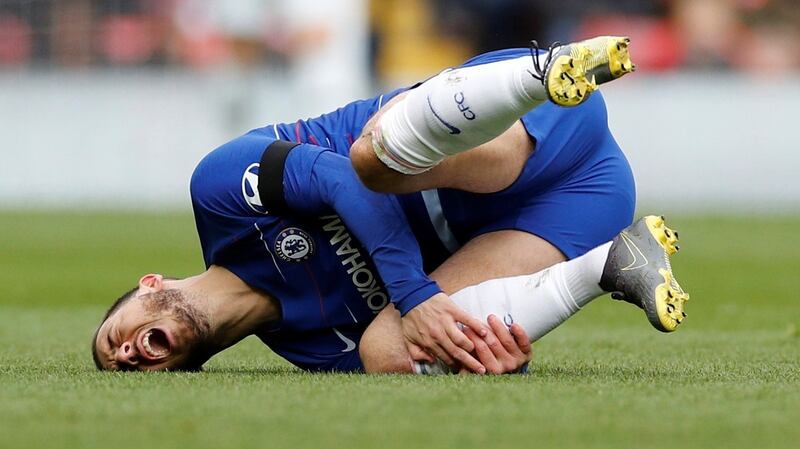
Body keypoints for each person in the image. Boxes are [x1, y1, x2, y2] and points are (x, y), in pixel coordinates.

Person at [92, 36, 689, 374]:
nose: (124, 353)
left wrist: (416, 294)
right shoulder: (315, 351)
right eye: (124, 365)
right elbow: (445, 341)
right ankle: (613, 265)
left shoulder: (219, 196)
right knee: (386, 353)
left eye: (112, 337)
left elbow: (342, 185)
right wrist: (492, 351)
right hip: (583, 208)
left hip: (523, 118)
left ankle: (542, 70)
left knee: (368, 164)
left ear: (149, 284)